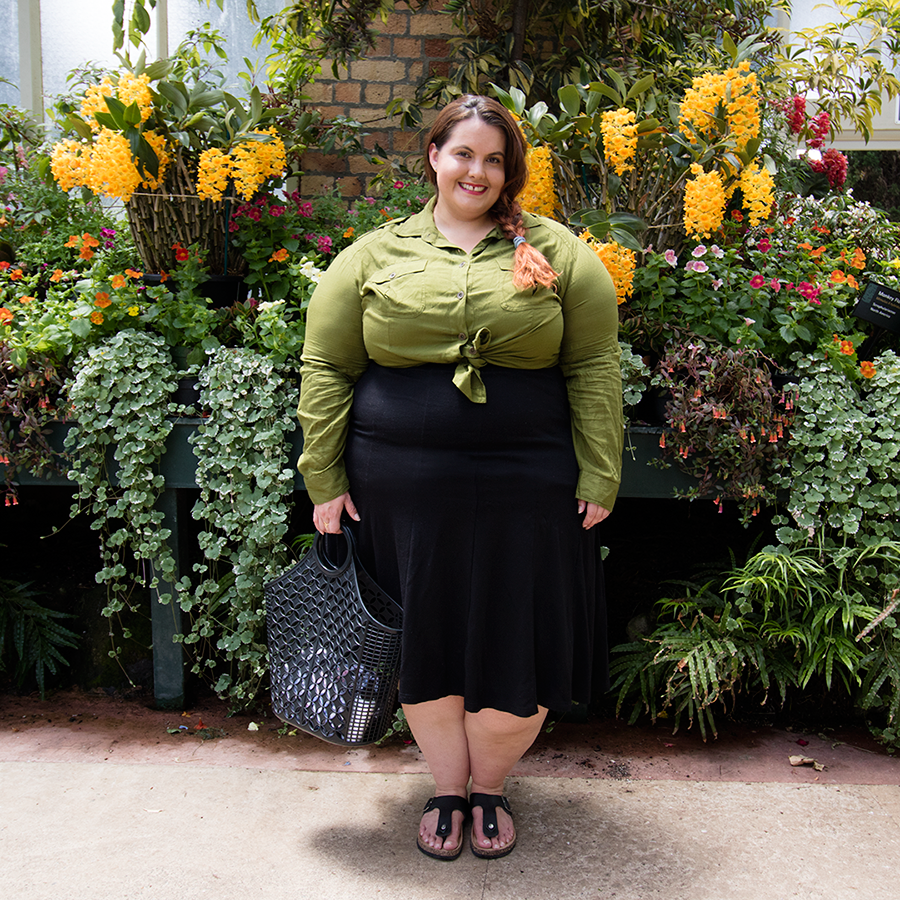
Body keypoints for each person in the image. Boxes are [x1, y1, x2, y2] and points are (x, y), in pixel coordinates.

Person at [297, 94, 623, 860]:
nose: (477, 170)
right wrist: (323, 477)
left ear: (509, 172)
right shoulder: (374, 254)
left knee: (520, 632)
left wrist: (601, 472)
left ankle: (491, 789)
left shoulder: (560, 252)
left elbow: (594, 365)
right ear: (434, 157)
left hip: (530, 487)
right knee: (428, 635)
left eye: (495, 158)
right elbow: (327, 365)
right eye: (464, 153)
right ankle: (447, 787)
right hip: (400, 489)